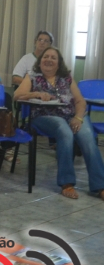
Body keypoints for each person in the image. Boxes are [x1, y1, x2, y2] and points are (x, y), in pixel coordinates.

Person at [14, 47, 104, 201]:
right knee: (64, 130)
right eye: (45, 57)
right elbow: (17, 95)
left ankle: (100, 186)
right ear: (40, 61)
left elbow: (80, 101)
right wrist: (35, 94)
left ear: (59, 63)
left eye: (53, 58)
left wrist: (78, 117)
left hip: (72, 116)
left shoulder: (66, 77)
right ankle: (66, 183)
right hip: (44, 117)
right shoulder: (33, 76)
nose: (48, 59)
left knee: (88, 138)